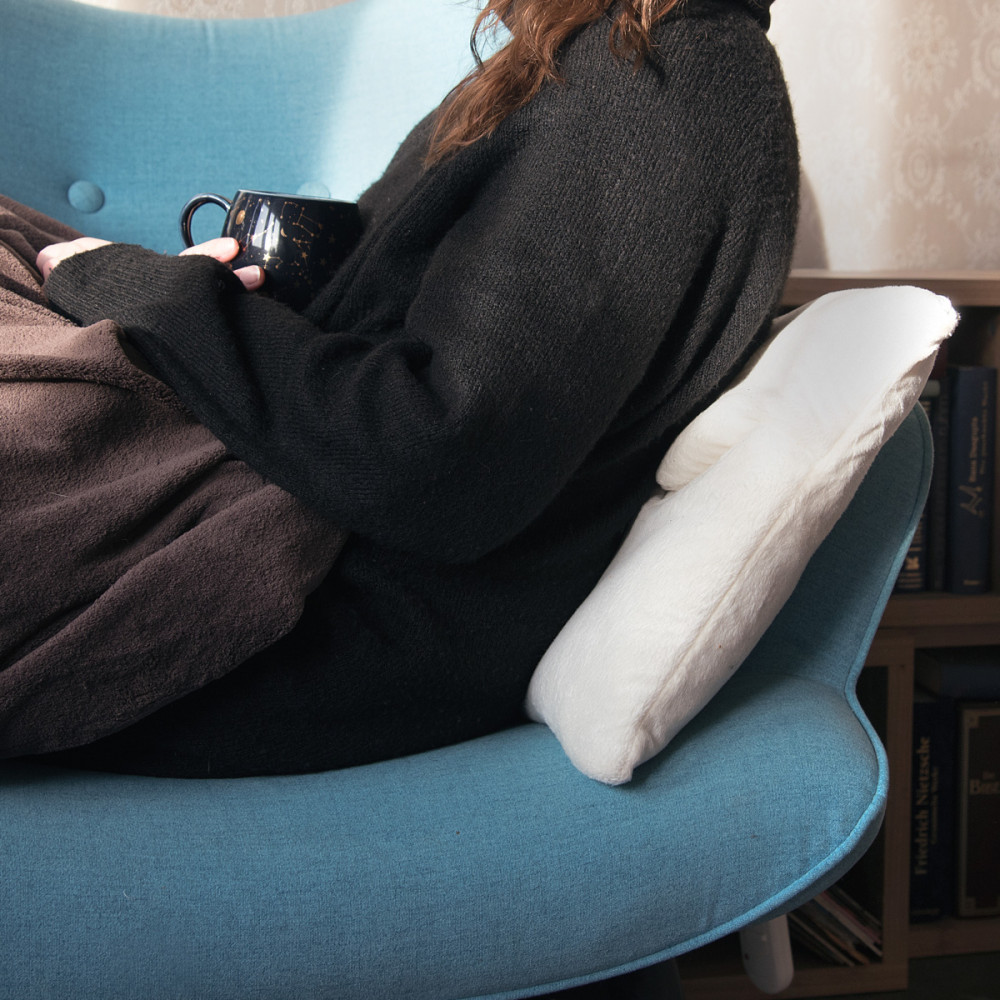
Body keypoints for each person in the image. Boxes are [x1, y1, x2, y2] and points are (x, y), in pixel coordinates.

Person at [31, 0, 798, 777]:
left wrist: (163, 302)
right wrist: (223, 299)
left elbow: (436, 460)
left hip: (333, 615)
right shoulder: (595, 57)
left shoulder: (652, 81)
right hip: (293, 517)